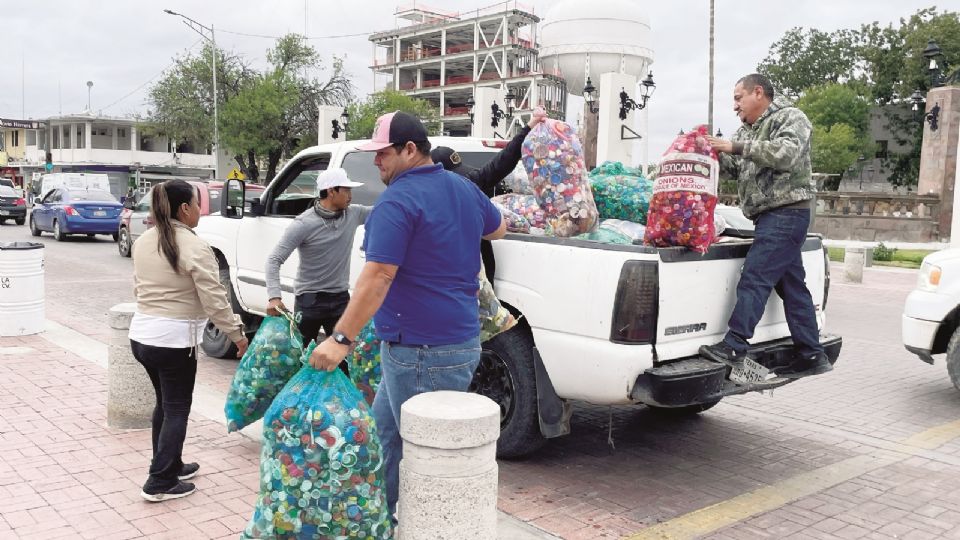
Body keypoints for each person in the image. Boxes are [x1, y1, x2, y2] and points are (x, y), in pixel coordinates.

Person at [307, 111, 506, 519]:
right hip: (455, 343)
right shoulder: (463, 188)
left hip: (420, 352)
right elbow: (498, 228)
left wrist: (340, 339)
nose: (376, 161)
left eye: (383, 153)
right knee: (384, 436)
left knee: (422, 458)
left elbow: (378, 276)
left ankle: (418, 524)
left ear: (410, 150)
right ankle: (373, 520)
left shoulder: (397, 201)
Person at [699, 73, 832, 379]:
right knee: (793, 288)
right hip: (772, 216)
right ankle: (812, 354)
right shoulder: (748, 129)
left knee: (755, 277)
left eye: (738, 98)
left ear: (758, 93)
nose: (734, 106)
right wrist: (709, 152)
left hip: (786, 213)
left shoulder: (791, 117)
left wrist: (734, 146)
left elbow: (785, 155)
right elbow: (736, 166)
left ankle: (735, 345)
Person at [129, 179, 250, 502]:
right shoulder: (195, 246)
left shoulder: (145, 240)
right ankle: (160, 481)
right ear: (184, 208)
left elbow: (138, 287)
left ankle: (170, 464)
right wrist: (237, 335)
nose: (199, 210)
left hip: (141, 336)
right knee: (177, 409)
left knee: (165, 404)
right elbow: (215, 300)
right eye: (197, 204)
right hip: (173, 341)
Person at [265, 168, 371, 356]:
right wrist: (274, 297)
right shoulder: (304, 223)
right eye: (346, 190)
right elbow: (274, 259)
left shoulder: (353, 214)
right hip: (309, 301)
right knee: (302, 357)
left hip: (340, 299)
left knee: (343, 358)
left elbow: (384, 210)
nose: (350, 195)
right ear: (331, 192)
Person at [431, 108, 546, 282]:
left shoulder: (469, 184)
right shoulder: (424, 208)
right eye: (455, 176)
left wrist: (529, 127)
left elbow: (502, 162)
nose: (462, 181)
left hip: (478, 286)